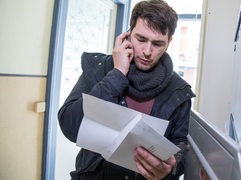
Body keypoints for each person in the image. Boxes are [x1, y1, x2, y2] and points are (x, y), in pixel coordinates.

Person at [58, 0, 195, 179]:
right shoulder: (99, 68)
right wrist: (117, 74)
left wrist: (171, 167)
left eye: (157, 44)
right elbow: (70, 126)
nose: (147, 51)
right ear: (128, 35)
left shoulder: (179, 91)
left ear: (169, 43)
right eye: (141, 39)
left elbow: (181, 148)